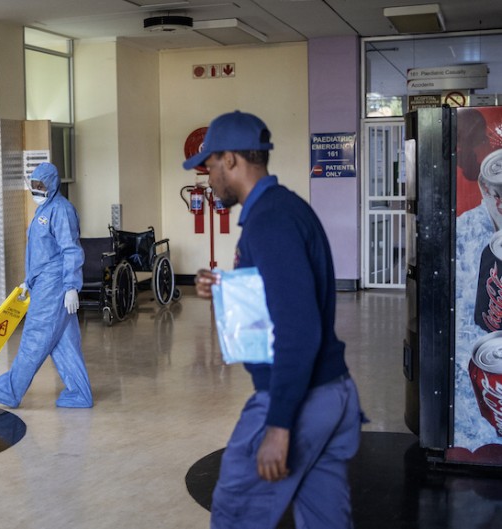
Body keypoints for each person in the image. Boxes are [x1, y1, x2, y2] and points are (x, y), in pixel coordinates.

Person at [187, 111, 363, 528]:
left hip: (298, 399)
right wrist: (226, 286)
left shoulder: (270, 222)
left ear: (230, 160)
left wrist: (279, 425)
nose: (207, 178)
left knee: (235, 513)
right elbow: (284, 291)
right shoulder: (284, 208)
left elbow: (299, 330)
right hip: (331, 391)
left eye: (209, 165)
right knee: (325, 521)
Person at [0, 162, 93, 408]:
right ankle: (80, 393)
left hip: (54, 286)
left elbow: (71, 250)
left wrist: (71, 286)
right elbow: (42, 252)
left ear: (53, 184)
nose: (36, 190)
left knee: (35, 337)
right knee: (64, 342)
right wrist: (30, 280)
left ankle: (11, 390)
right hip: (45, 282)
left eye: (41, 185)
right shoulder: (44, 210)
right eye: (33, 185)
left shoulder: (61, 211)